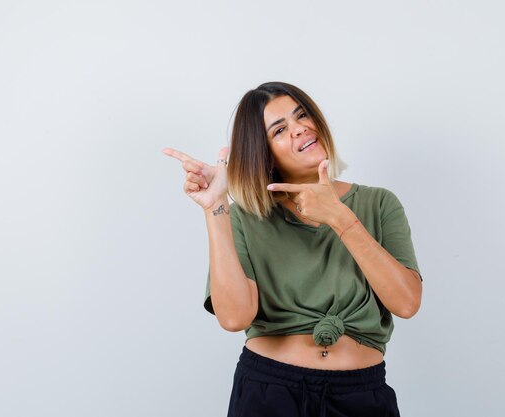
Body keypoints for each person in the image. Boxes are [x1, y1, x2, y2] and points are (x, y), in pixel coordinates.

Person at [163, 81, 422, 417]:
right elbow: (234, 317)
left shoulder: (378, 203)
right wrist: (216, 208)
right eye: (280, 129)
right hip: (270, 392)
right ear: (264, 153)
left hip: (361, 394)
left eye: (302, 116)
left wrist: (340, 218)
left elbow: (406, 303)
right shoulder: (247, 217)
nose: (300, 129)